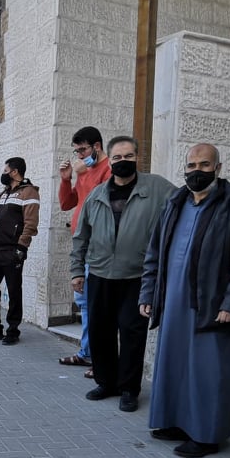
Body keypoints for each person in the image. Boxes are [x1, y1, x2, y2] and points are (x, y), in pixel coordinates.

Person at [140, 143, 230, 457]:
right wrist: (149, 292)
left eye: (205, 165)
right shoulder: (175, 202)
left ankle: (207, 435)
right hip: (173, 302)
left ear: (218, 169)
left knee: (209, 372)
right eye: (192, 165)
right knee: (174, 365)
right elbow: (155, 251)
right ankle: (175, 422)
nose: (197, 171)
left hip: (211, 306)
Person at [70, 136, 175, 412]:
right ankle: (106, 382)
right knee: (100, 331)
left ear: (137, 158)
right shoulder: (97, 195)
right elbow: (81, 237)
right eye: (118, 157)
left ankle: (129, 388)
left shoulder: (157, 188)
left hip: (137, 276)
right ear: (111, 159)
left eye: (129, 156)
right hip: (101, 274)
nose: (123, 162)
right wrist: (76, 272)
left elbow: (185, 202)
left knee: (132, 333)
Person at [58, 126, 111, 375]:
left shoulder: (106, 170)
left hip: (98, 246)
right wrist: (66, 179)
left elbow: (100, 203)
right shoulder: (84, 171)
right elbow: (68, 203)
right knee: (85, 302)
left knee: (95, 304)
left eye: (83, 150)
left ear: (97, 146)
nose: (79, 155)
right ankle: (88, 353)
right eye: (77, 151)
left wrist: (84, 174)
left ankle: (96, 357)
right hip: (82, 245)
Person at [0, 157, 39, 345]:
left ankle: (13, 330)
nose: (3, 174)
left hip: (13, 250)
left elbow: (31, 223)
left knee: (13, 291)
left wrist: (21, 247)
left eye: (5, 170)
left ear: (14, 172)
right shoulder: (3, 194)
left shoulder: (29, 193)